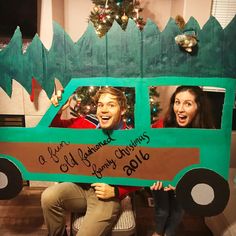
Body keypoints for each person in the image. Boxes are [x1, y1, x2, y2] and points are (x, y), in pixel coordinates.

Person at [41, 86, 140, 236]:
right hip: (82, 188)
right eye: (100, 105)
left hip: (106, 196)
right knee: (48, 197)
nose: (104, 110)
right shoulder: (88, 122)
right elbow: (55, 130)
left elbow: (143, 175)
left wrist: (117, 191)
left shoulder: (131, 137)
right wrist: (57, 110)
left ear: (123, 109)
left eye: (111, 105)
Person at [150, 86, 214, 236]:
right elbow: (148, 152)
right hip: (160, 180)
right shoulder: (161, 125)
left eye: (188, 104)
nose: (180, 109)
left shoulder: (207, 134)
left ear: (199, 107)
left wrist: (185, 183)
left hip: (185, 183)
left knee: (177, 212)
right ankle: (158, 232)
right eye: (177, 102)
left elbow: (205, 166)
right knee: (162, 210)